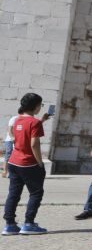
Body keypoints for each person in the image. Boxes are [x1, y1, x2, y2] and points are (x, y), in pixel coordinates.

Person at [3, 93, 50, 235]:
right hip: (28, 163)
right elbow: (34, 144)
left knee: (13, 193)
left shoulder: (17, 120)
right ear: (36, 106)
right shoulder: (34, 122)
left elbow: (15, 136)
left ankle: (9, 225)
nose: (40, 108)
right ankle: (29, 223)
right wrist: (40, 162)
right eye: (40, 105)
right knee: (36, 193)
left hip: (13, 161)